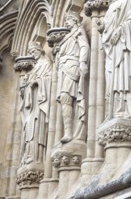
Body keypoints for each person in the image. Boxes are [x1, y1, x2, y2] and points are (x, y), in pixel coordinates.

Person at [99, 0, 131, 119]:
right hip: (111, 48)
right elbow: (108, 25)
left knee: (123, 75)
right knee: (111, 79)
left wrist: (121, 30)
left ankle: (124, 109)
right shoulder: (111, 7)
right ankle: (113, 110)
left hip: (122, 46)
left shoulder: (127, 1)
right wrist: (102, 26)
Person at [56, 12, 90, 143]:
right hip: (63, 68)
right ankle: (68, 132)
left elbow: (84, 47)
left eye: (68, 19)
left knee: (67, 97)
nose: (66, 22)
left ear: (75, 20)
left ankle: (70, 133)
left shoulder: (78, 31)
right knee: (64, 99)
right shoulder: (68, 36)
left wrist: (82, 63)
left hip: (72, 66)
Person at [19, 42, 52, 165]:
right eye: (31, 53)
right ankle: (29, 154)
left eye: (34, 52)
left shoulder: (46, 64)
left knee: (37, 127)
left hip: (39, 103)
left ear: (40, 50)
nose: (33, 55)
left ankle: (37, 157)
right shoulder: (34, 68)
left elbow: (50, 80)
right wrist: (24, 87)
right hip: (31, 104)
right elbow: (24, 89)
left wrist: (37, 82)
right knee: (28, 129)